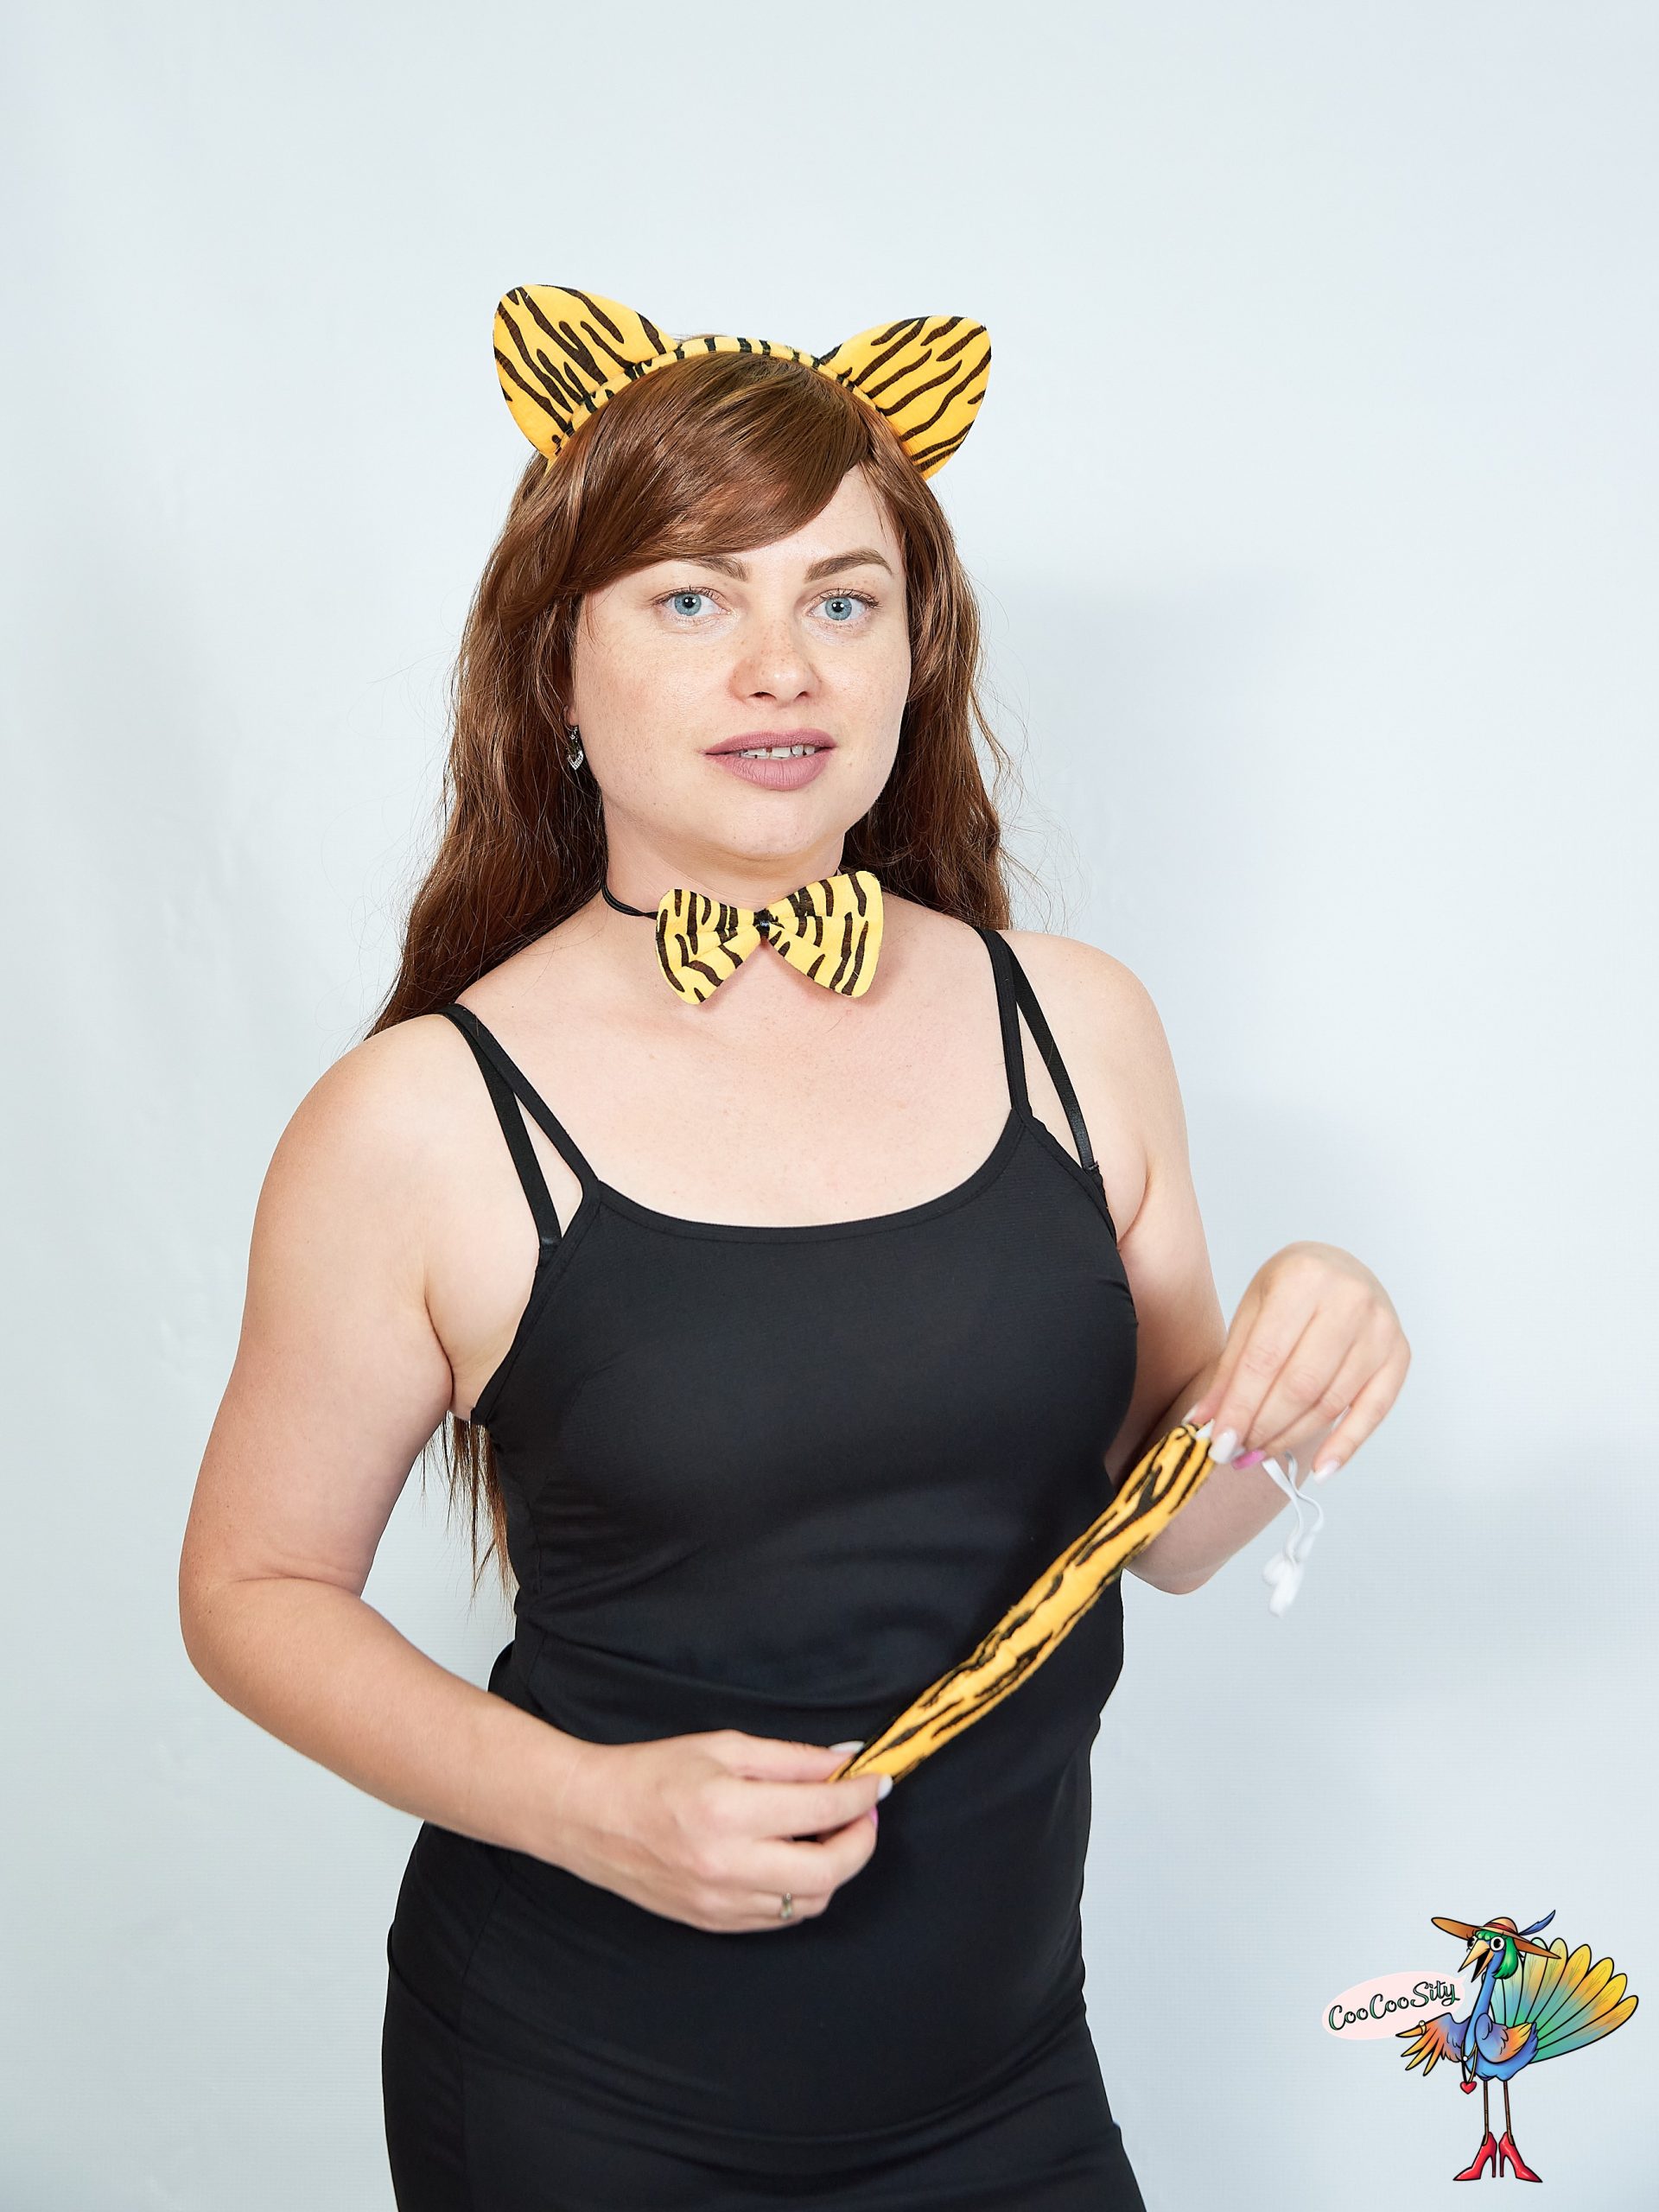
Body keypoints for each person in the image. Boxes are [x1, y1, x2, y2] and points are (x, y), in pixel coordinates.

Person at [178, 289, 1409, 2209]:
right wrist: (588, 1805)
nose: (781, 666)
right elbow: (253, 1587)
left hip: (1010, 2088)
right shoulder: (422, 1118)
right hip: (586, 2103)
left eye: (843, 599)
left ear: (914, 652)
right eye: (692, 598)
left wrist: (1307, 1359)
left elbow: (1166, 1533)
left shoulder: (1075, 1027)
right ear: (555, 669)